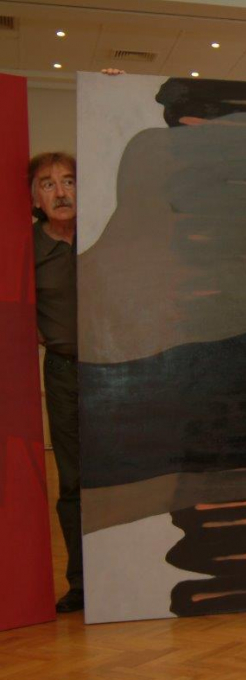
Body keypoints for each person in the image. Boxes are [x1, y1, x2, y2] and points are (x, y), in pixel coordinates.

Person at [30, 151, 82, 613]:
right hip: (65, 372)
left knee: (128, 474)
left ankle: (130, 580)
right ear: (35, 199)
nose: (61, 192)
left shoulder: (103, 232)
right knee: (74, 481)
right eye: (48, 184)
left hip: (123, 371)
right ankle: (83, 584)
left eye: (68, 180)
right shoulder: (24, 249)